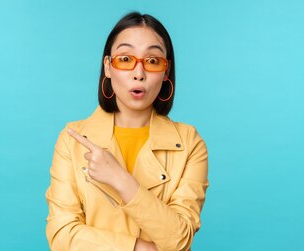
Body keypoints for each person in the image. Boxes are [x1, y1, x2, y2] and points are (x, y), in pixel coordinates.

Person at [45, 12, 209, 251]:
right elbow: (61, 235)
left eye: (152, 61)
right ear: (108, 67)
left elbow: (179, 240)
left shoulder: (188, 143)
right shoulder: (72, 138)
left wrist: (120, 180)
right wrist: (139, 248)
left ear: (166, 72)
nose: (138, 73)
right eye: (125, 59)